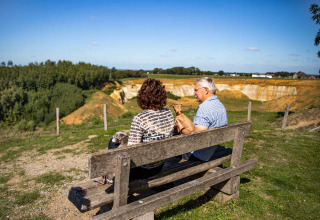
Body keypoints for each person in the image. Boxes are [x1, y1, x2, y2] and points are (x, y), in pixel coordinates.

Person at [108, 78, 175, 180]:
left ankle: (114, 178)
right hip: (159, 165)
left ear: (143, 96)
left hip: (142, 170)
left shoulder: (140, 118)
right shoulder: (168, 113)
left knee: (112, 143)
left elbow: (132, 150)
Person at [175, 77, 228, 161]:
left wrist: (182, 130)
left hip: (200, 155)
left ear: (206, 90)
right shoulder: (219, 104)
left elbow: (197, 138)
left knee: (170, 153)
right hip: (211, 148)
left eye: (196, 90)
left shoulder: (204, 107)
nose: (194, 93)